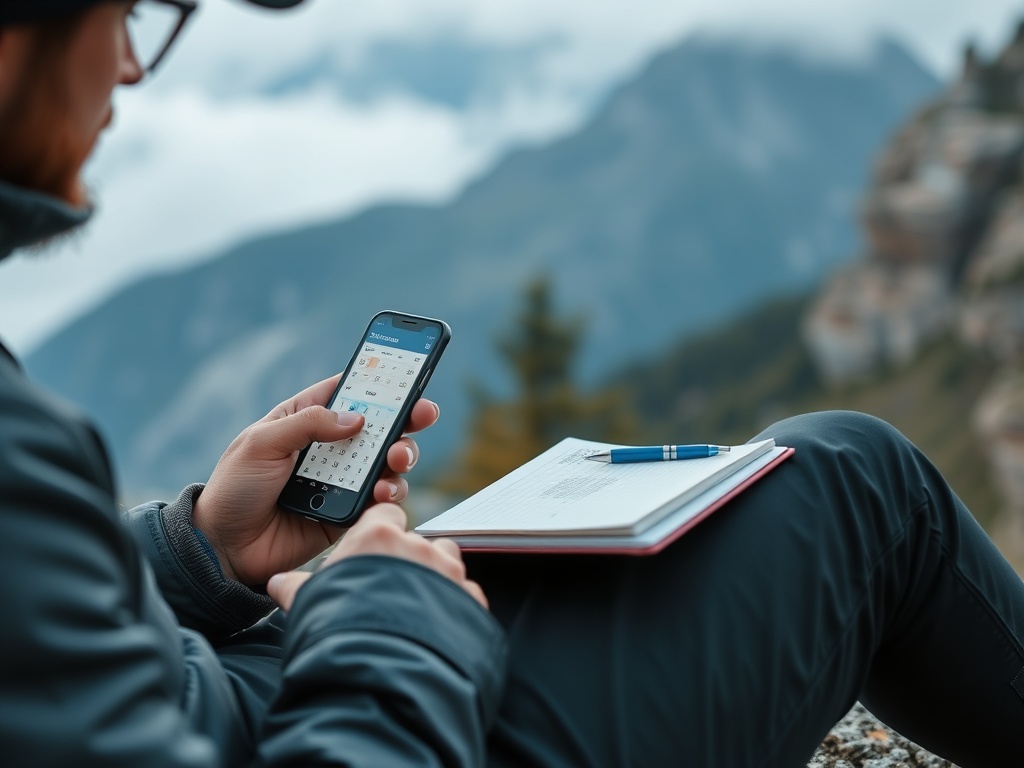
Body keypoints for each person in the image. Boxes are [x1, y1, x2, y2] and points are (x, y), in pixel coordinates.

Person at [0, 2, 1021, 767]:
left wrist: (195, 556)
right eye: (124, 13)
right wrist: (390, 627)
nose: (130, 64)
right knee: (858, 484)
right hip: (330, 729)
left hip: (228, 691)